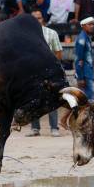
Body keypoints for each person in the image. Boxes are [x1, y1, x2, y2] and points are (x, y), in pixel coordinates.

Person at [27, 9, 62, 137]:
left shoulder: (52, 33)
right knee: (33, 101)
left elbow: (58, 53)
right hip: (32, 72)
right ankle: (35, 128)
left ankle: (54, 128)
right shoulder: (26, 35)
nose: (37, 21)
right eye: (34, 18)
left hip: (49, 72)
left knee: (51, 99)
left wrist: (53, 70)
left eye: (39, 18)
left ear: (43, 19)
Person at [74, 16, 94, 101]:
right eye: (89, 24)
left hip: (87, 71)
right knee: (89, 98)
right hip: (85, 73)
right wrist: (80, 78)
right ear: (83, 25)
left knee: (88, 98)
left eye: (92, 24)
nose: (92, 26)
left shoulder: (86, 37)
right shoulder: (82, 39)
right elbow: (79, 59)